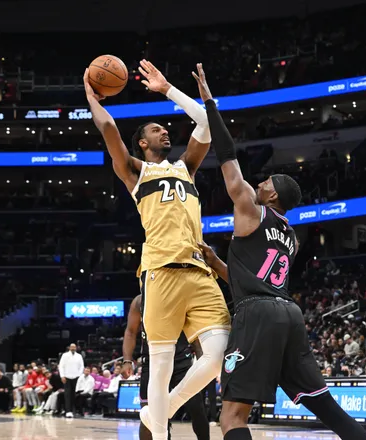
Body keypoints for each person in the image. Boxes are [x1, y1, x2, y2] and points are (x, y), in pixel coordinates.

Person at [192, 65, 366, 440]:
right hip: (288, 313)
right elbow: (251, 277)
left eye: (267, 181)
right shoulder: (288, 233)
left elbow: (227, 156)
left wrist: (209, 101)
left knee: (232, 418)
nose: (259, 181)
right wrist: (215, 262)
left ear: (273, 195)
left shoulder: (249, 207)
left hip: (257, 314)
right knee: (327, 408)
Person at [85, 60, 230, 440]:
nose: (165, 130)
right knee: (161, 365)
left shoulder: (187, 167)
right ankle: (160, 430)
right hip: (160, 271)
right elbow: (109, 129)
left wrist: (168, 89)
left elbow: (206, 124)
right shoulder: (136, 172)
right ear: (143, 144)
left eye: (164, 127)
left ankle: (159, 412)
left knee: (217, 358)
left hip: (199, 271)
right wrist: (90, 96)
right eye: (155, 129)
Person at [122, 294, 209, 440]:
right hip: (152, 362)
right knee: (150, 415)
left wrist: (203, 359)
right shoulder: (139, 301)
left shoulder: (179, 295)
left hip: (181, 361)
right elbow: (130, 332)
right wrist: (127, 360)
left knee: (197, 409)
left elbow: (193, 331)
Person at [58, 343, 84, 418]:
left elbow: (81, 366)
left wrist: (79, 375)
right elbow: (61, 366)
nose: (73, 348)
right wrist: (62, 376)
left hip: (76, 377)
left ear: (76, 348)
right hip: (67, 377)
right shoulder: (65, 355)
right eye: (72, 347)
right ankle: (68, 411)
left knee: (74, 394)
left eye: (74, 347)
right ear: (69, 348)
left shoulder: (79, 356)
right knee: (67, 394)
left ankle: (73, 410)